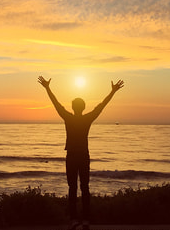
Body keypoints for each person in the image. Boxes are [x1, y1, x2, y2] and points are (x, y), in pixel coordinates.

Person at [38, 76, 124, 230]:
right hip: (83, 155)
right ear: (83, 107)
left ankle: (74, 220)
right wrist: (112, 92)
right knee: (85, 187)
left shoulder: (68, 117)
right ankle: (85, 220)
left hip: (72, 155)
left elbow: (56, 104)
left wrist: (47, 88)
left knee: (72, 188)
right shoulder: (87, 118)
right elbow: (101, 106)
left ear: (72, 107)